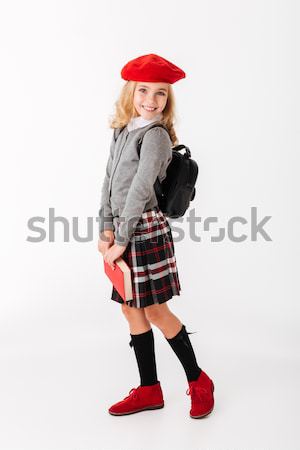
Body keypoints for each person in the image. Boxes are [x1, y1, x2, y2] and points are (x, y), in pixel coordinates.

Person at [98, 53, 215, 419]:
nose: (151, 100)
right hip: (120, 229)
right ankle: (149, 388)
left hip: (144, 230)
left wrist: (120, 237)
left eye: (160, 93)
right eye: (144, 90)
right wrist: (104, 226)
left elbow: (140, 188)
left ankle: (199, 381)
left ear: (168, 99)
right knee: (129, 307)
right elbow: (108, 181)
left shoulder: (156, 136)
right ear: (130, 92)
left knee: (155, 309)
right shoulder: (123, 131)